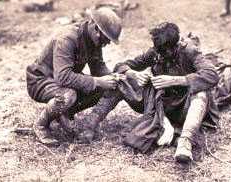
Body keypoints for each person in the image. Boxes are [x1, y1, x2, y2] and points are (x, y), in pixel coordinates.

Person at [78, 22, 219, 163]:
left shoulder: (189, 51)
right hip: (160, 105)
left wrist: (176, 80)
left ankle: (185, 142)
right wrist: (133, 74)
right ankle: (89, 126)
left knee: (201, 93)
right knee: (121, 80)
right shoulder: (156, 52)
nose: (160, 56)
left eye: (164, 52)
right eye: (158, 51)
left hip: (184, 107)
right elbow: (121, 65)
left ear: (175, 45)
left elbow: (211, 75)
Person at [26, 7, 122, 146]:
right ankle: (41, 125)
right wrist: (98, 81)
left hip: (62, 81)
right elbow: (63, 77)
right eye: (106, 40)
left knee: (104, 87)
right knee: (68, 95)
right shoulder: (67, 38)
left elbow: (98, 67)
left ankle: (63, 113)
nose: (106, 44)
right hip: (41, 80)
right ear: (95, 28)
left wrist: (113, 78)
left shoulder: (93, 39)